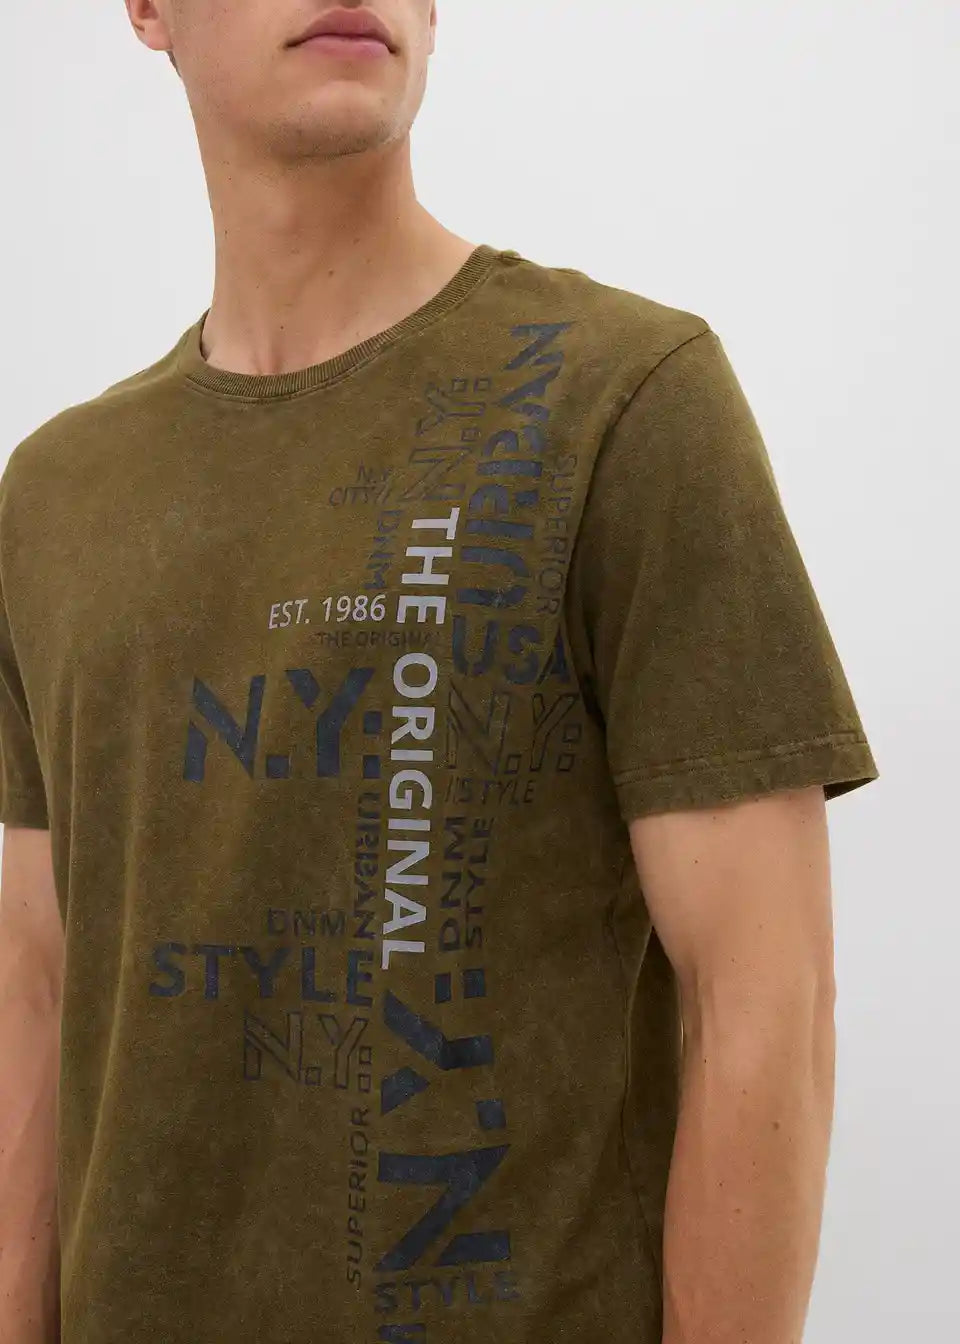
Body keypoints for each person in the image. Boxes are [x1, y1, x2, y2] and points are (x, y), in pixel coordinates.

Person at [0, 2, 879, 1342]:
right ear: (149, 9)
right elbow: (39, 988)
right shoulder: (57, 495)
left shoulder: (621, 399)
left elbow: (764, 1000)